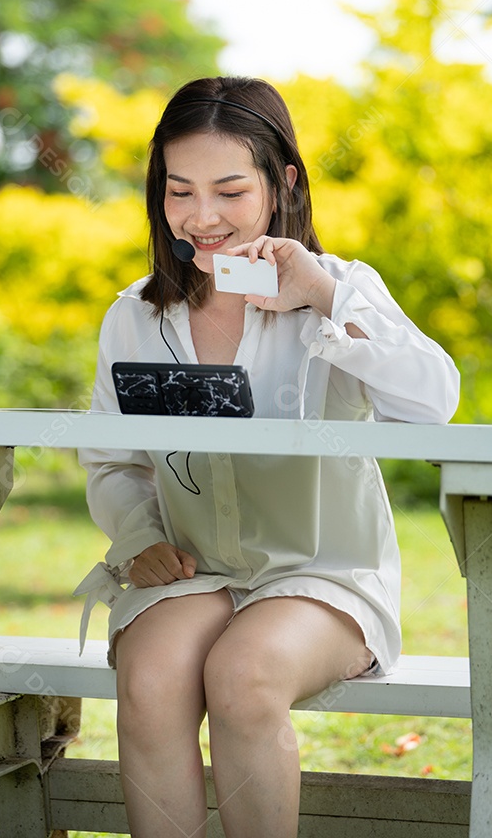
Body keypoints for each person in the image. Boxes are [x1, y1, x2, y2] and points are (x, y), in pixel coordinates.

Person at [75, 76, 460, 838]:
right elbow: (113, 461)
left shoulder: (339, 289)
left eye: (229, 191)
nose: (202, 217)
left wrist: (319, 295)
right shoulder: (135, 314)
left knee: (242, 675)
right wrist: (140, 538)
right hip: (197, 570)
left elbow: (432, 402)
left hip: (323, 575)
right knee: (148, 679)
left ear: (281, 183)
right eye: (179, 191)